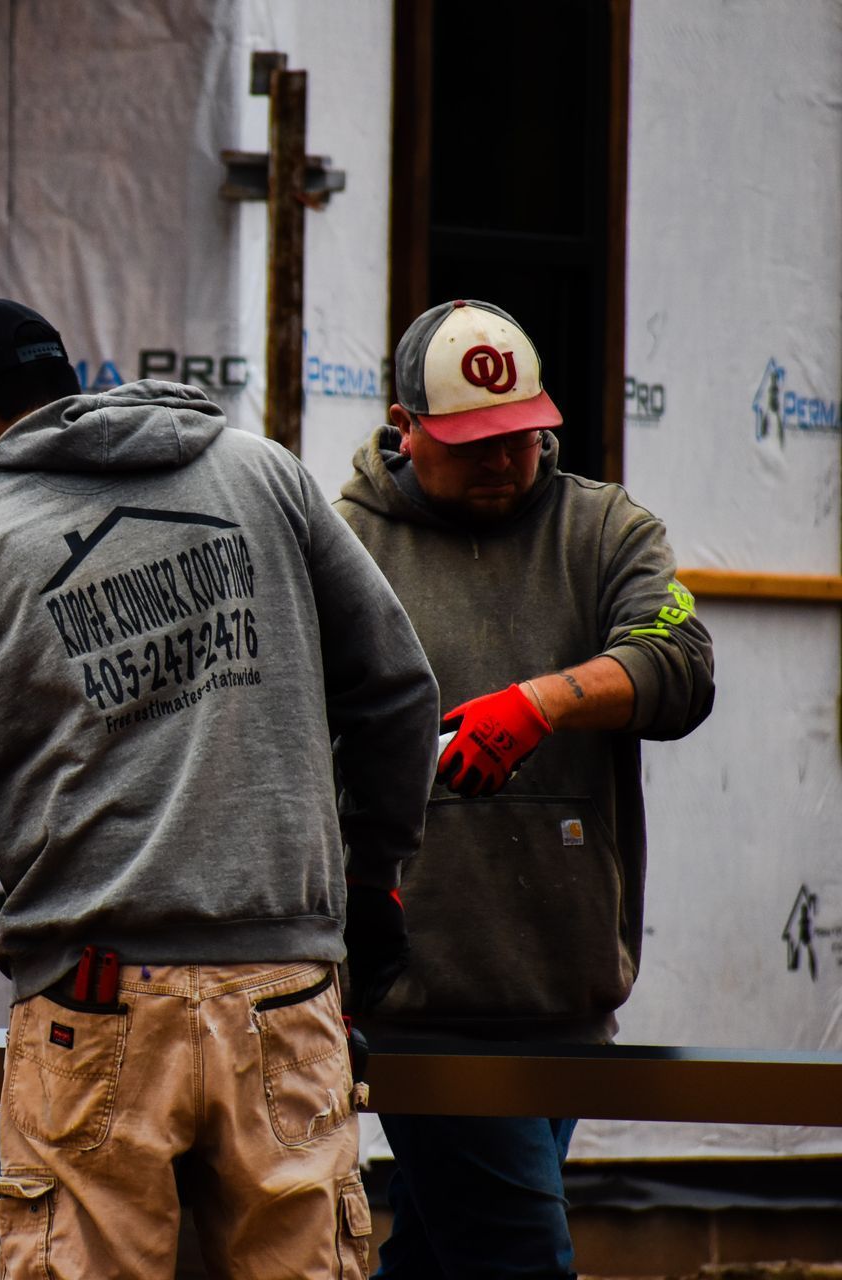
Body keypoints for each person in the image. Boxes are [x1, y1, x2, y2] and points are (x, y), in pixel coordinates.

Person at [0, 298, 440, 1277]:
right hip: (287, 996)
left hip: (95, 1013)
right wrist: (374, 883)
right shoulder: (264, 477)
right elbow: (400, 690)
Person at [334, 299, 715, 1279]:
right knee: (519, 1261)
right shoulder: (343, 546)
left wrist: (542, 703)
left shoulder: (606, 528)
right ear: (405, 423)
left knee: (438, 1257)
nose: (503, 460)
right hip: (423, 995)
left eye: (520, 436)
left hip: (563, 987)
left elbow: (680, 661)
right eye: (472, 443)